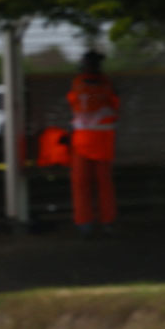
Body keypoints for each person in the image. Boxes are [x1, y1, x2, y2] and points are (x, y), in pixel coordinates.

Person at [66, 50, 120, 237]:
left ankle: (85, 223)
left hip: (83, 142)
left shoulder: (78, 84)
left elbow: (73, 102)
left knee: (82, 184)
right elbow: (115, 106)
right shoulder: (108, 85)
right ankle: (107, 222)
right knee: (104, 184)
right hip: (103, 142)